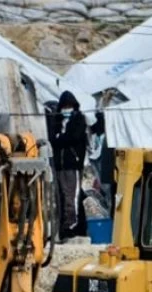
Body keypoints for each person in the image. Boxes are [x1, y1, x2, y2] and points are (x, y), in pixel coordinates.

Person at [51, 90, 87, 240]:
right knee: (61, 197)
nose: (66, 109)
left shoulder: (78, 119)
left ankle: (72, 226)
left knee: (72, 197)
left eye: (69, 106)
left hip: (72, 164)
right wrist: (61, 138)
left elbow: (73, 137)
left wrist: (61, 138)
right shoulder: (57, 121)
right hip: (60, 165)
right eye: (64, 106)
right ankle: (64, 226)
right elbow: (53, 139)